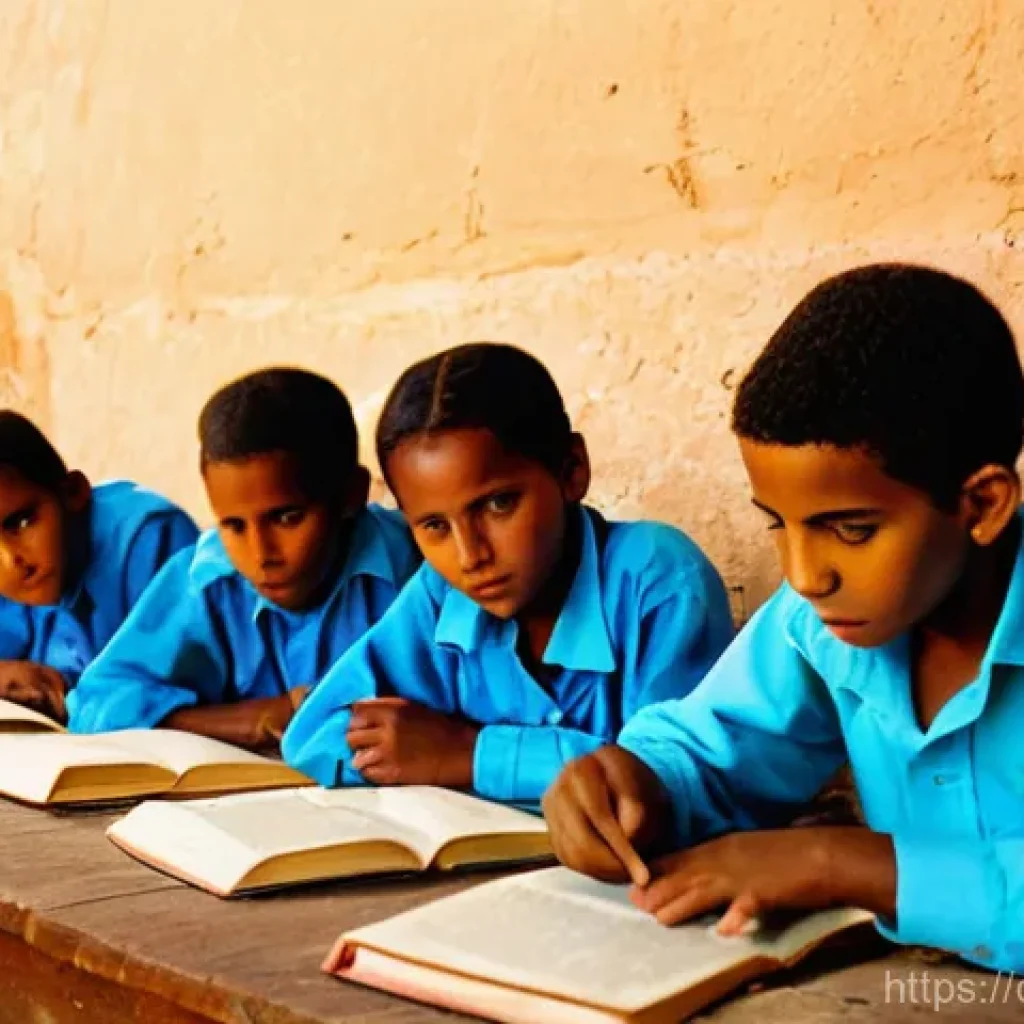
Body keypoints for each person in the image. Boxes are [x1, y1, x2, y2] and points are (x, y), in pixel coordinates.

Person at [542, 264, 1024, 972]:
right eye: (778, 523)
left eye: (852, 529)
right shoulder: (819, 624)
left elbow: (848, 864)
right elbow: (712, 747)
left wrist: (842, 862)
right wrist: (638, 783)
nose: (804, 575)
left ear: (980, 505)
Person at [283, 342, 733, 803]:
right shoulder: (442, 596)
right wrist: (419, 748)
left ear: (571, 470)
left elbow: (671, 779)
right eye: (435, 526)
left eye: (498, 504)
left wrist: (469, 753)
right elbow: (314, 737)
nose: (470, 556)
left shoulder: (659, 581)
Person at [67, 368, 420, 748]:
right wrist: (253, 719)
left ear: (351, 495)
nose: (260, 554)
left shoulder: (414, 567)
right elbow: (93, 705)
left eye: (287, 518)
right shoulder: (208, 581)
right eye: (233, 525)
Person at [0, 410, 197, 722]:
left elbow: (170, 692)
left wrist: (76, 703)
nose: (12, 561)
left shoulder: (150, 541)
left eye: (22, 522)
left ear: (73, 492)